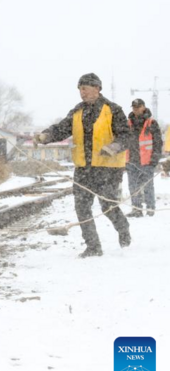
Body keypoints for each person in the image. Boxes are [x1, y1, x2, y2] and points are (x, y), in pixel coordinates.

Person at [34, 73, 131, 257]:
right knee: (82, 207)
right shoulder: (77, 111)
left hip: (107, 168)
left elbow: (126, 135)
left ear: (97, 88)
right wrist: (45, 136)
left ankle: (123, 228)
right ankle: (93, 246)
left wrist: (114, 146)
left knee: (107, 206)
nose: (82, 93)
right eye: (80, 89)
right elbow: (61, 129)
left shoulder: (113, 110)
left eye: (85, 88)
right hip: (83, 168)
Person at [125, 98, 163, 217]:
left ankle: (150, 208)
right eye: (134, 107)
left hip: (147, 161)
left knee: (148, 186)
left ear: (143, 107)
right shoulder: (128, 123)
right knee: (133, 187)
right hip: (131, 160)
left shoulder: (151, 123)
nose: (136, 109)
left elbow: (157, 142)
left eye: (138, 106)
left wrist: (154, 159)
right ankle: (136, 209)